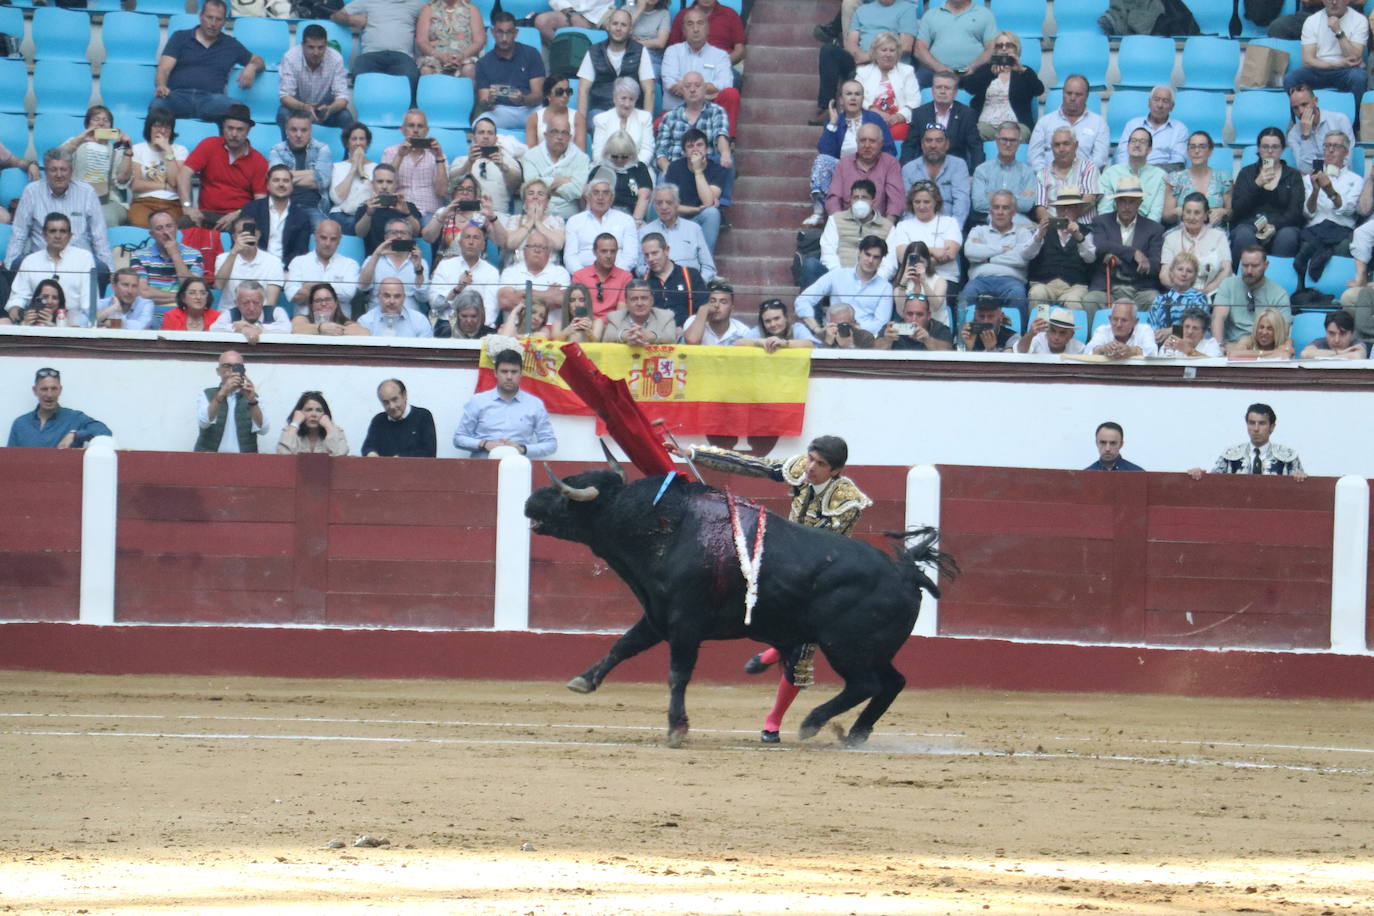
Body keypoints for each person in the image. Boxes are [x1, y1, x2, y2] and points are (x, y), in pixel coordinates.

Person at [666, 434, 872, 743]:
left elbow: (827, 547)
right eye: (811, 458)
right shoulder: (800, 467)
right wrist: (692, 452)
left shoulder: (847, 500)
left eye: (821, 464)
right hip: (785, 561)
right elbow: (751, 464)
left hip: (822, 573)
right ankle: (777, 648)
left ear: (836, 471)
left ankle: (773, 717)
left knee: (803, 647)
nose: (811, 467)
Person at [5, 148, 113, 278]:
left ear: (71, 171)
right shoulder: (32, 192)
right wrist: (9, 267)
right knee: (17, 265)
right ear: (45, 171)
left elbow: (99, 236)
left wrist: (109, 271)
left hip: (80, 263)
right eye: (53, 169)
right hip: (42, 260)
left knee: (101, 269)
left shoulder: (87, 192)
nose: (59, 175)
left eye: (63, 169)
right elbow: (19, 234)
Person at [152, 0, 265, 123]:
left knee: (240, 112)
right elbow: (164, 69)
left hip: (212, 101)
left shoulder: (231, 45)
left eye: (218, 19)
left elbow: (259, 62)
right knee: (157, 105)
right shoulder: (180, 37)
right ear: (201, 16)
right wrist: (161, 85)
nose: (213, 23)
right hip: (179, 97)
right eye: (209, 17)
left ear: (224, 22)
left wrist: (252, 67)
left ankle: (225, 143)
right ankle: (158, 143)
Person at [804, 79, 896, 227]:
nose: (853, 98)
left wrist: (874, 162)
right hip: (844, 171)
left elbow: (890, 149)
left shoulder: (874, 119)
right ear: (841, 99)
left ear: (862, 98)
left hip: (872, 167)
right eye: (849, 94)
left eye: (857, 94)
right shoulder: (835, 121)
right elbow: (825, 152)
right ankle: (820, 212)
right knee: (821, 161)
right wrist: (833, 124)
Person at [813, 0, 918, 125]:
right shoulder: (862, 10)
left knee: (858, 76)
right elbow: (851, 43)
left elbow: (906, 46)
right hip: (861, 62)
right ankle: (827, 107)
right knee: (828, 50)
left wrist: (873, 55)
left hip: (889, 63)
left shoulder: (907, 9)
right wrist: (860, 56)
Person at [1080, 176, 1166, 321]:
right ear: (1115, 202)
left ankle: (1149, 342)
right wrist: (1134, 253)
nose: (1127, 206)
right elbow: (1101, 246)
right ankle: (1092, 342)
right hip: (1108, 287)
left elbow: (1154, 265)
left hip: (1140, 289)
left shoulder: (1154, 229)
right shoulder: (1101, 221)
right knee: (1090, 300)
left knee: (1155, 300)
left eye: (1132, 201)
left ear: (1140, 203)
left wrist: (1118, 257)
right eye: (1122, 201)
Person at [179, 104, 269, 232]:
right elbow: (184, 174)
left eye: (240, 129)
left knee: (247, 231)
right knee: (184, 223)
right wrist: (188, 207)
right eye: (230, 128)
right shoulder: (209, 145)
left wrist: (238, 214)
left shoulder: (259, 161)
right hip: (206, 214)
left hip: (239, 217)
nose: (234, 134)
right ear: (223, 127)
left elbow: (260, 201)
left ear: (248, 131)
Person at [960, 190, 1045, 325]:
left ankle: (1016, 341)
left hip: (1011, 282)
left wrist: (988, 257)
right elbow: (970, 252)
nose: (1000, 212)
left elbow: (1021, 259)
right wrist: (1002, 249)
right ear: (990, 211)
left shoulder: (1022, 233)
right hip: (979, 280)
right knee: (965, 296)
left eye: (1005, 208)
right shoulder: (978, 230)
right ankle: (961, 340)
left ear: (1013, 212)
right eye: (996, 207)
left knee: (1017, 296)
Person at [454, 348, 556, 458]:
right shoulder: (478, 401)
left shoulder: (534, 404)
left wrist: (522, 448)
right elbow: (458, 438)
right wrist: (484, 444)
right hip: (483, 467)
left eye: (514, 372)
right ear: (495, 373)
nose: (509, 377)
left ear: (521, 373)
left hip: (519, 467)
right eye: (504, 371)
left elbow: (551, 444)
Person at [1294, 130, 1361, 287]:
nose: (1330, 150)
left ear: (1346, 151)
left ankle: (1334, 289)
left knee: (1343, 246)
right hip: (1314, 229)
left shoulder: (1356, 180)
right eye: (1327, 146)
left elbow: (1349, 210)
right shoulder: (1308, 179)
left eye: (1336, 146)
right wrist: (1316, 191)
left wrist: (1330, 191)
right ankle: (1303, 291)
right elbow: (1307, 213)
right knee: (1305, 243)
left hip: (1341, 230)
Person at [800, 178, 894, 290]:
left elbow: (890, 263)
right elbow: (828, 253)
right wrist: (842, 279)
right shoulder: (835, 220)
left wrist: (870, 281)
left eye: (864, 198)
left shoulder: (887, 227)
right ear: (850, 200)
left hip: (871, 282)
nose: (859, 202)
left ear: (873, 200)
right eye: (855, 198)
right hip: (837, 278)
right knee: (810, 265)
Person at [1231, 127, 1304, 262]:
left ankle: (1279, 279)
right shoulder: (1246, 173)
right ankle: (1243, 276)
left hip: (1282, 225)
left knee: (1288, 236)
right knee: (1243, 235)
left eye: (1275, 147)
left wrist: (1274, 225)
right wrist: (1256, 184)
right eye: (1265, 147)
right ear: (1258, 149)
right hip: (1250, 224)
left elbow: (1295, 212)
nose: (1270, 151)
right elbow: (1237, 209)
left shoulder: (1292, 175)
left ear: (1282, 150)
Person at [5, 213, 96, 322]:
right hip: (36, 324)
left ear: (70, 235)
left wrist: (64, 321)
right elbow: (16, 300)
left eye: (63, 231)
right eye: (53, 231)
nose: (58, 236)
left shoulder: (84, 258)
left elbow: (89, 304)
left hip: (72, 325)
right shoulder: (30, 261)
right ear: (44, 235)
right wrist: (21, 315)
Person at [662, 6, 740, 132]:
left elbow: (726, 83)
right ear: (683, 30)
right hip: (677, 113)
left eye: (700, 23)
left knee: (731, 94)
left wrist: (687, 87)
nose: (696, 29)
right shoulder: (672, 52)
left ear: (708, 28)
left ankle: (726, 141)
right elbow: (670, 82)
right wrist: (706, 91)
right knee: (656, 126)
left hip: (709, 115)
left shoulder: (720, 56)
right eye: (690, 24)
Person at [796, 234, 892, 336]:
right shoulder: (837, 275)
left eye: (876, 257)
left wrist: (854, 328)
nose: (870, 260)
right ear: (859, 253)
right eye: (867, 254)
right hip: (834, 336)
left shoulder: (885, 288)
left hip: (864, 340)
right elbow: (803, 300)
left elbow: (881, 324)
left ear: (881, 260)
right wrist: (817, 329)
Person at [333, 0, 427, 102]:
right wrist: (351, 19)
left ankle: (407, 115)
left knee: (410, 76)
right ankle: (369, 113)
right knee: (360, 73)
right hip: (370, 55)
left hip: (402, 56)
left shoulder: (417, 4)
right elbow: (336, 16)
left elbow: (435, 17)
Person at [878, 181, 963, 288]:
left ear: (936, 202)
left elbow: (949, 254)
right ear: (911, 203)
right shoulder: (903, 226)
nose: (921, 206)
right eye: (917, 202)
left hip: (944, 278)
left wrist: (916, 257)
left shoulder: (950, 222)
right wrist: (934, 251)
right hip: (911, 279)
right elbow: (902, 256)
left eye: (926, 202)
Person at [1187, 403, 1306, 480]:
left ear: (1272, 427)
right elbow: (1214, 482)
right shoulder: (1230, 454)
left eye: (1262, 423)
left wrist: (1300, 477)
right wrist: (1201, 475)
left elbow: (1301, 489)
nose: (1256, 429)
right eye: (1252, 423)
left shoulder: (1288, 456)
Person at [820, 122, 904, 229]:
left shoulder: (890, 163)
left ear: (881, 143)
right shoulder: (844, 164)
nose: (867, 146)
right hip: (847, 225)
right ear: (857, 142)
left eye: (872, 141)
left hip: (879, 225)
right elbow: (833, 198)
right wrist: (839, 225)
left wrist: (886, 227)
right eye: (863, 140)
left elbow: (895, 199)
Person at [962, 33, 1043, 143]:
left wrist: (1021, 70)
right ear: (995, 50)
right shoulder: (986, 70)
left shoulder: (1024, 71)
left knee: (1021, 134)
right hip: (987, 125)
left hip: (1016, 125)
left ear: (1016, 49)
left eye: (1009, 45)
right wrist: (990, 74)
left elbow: (1039, 90)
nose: (1004, 49)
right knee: (974, 132)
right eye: (1000, 46)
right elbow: (969, 87)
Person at [577, 8, 656, 121]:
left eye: (623, 25)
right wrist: (581, 126)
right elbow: (583, 90)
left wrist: (646, 124)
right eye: (615, 24)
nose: (618, 28)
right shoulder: (594, 51)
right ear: (608, 26)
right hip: (601, 112)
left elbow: (649, 90)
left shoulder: (640, 51)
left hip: (631, 111)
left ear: (630, 30)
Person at [60, 106, 133, 228]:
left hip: (109, 202)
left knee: (104, 218)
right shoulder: (75, 143)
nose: (101, 123)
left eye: (106, 120)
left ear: (111, 127)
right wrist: (80, 139)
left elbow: (122, 179)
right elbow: (55, 159)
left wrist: (128, 151)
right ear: (88, 124)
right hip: (76, 199)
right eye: (96, 119)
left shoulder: (117, 150)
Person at [1282, 0, 1367, 105]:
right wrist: (1337, 64)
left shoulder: (1360, 20)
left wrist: (1338, 31)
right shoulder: (1312, 21)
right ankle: (1299, 119)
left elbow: (1354, 57)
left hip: (1347, 71)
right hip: (1319, 70)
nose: (1334, 2)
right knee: (1291, 79)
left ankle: (1357, 120)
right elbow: (1307, 61)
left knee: (1359, 77)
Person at [1026, 185, 1094, 315]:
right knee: (1037, 293)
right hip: (1045, 284)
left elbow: (1091, 258)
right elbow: (1027, 255)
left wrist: (1078, 236)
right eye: (1062, 207)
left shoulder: (1085, 232)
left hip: (1074, 287)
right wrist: (1039, 235)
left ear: (1078, 209)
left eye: (1071, 207)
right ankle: (1038, 332)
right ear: (1056, 209)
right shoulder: (1042, 230)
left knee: (1073, 302)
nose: (1066, 211)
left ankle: (1072, 334)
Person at [660, 127, 730, 250]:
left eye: (700, 145)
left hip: (701, 218)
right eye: (690, 146)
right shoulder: (674, 168)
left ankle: (705, 264)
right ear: (684, 152)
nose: (695, 149)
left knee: (712, 213)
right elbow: (668, 206)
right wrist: (695, 209)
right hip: (677, 217)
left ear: (707, 149)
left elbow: (708, 202)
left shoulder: (717, 170)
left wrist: (698, 170)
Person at [7, 368, 111, 449]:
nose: (49, 394)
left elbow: (104, 432)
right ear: (35, 391)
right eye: (44, 389)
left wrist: (75, 435)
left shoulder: (74, 419)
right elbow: (9, 461)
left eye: (54, 389)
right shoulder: (20, 424)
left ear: (60, 390)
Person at [276, 23, 353, 133]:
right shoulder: (290, 57)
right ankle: (288, 150)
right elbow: (285, 97)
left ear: (326, 45)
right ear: (302, 45)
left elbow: (343, 98)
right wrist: (304, 107)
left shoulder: (336, 59)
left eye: (320, 48)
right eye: (311, 47)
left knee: (345, 117)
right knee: (283, 114)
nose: (316, 53)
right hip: (298, 109)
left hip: (325, 110)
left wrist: (330, 109)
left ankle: (349, 151)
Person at [477, 12, 546, 131]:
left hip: (529, 108)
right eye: (500, 32)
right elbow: (483, 102)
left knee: (552, 124)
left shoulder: (531, 54)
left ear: (516, 33)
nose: (504, 38)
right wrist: (490, 100)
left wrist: (522, 99)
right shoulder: (484, 63)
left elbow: (538, 96)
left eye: (508, 32)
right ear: (493, 32)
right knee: (481, 125)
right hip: (502, 110)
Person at [1211, 246, 1294, 344]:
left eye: (1255, 266)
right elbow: (1218, 317)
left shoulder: (1279, 294)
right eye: (1245, 265)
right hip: (1230, 347)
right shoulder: (1227, 285)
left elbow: (1283, 331)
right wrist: (1218, 346)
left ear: (1266, 265)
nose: (1249, 271)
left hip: (1263, 347)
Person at [900, 71, 983, 170]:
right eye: (938, 87)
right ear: (932, 90)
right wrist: (905, 171)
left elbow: (976, 148)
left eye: (947, 88)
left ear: (955, 92)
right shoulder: (919, 114)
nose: (942, 91)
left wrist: (976, 175)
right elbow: (910, 147)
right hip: (925, 169)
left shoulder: (967, 114)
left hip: (955, 170)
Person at [1028, 74, 1109, 171]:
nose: (1072, 98)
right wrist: (1047, 176)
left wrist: (1080, 176)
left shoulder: (1099, 123)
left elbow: (1099, 159)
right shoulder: (1044, 122)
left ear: (1087, 96)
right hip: (1048, 180)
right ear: (1062, 93)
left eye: (1078, 94)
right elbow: (1034, 156)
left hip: (1084, 180)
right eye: (1069, 93)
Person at [238, 164, 313, 268]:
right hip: (253, 266)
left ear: (292, 186)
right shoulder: (251, 209)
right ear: (268, 185)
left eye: (286, 181)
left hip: (286, 269)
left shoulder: (301, 216)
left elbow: (300, 251)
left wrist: (278, 267)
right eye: (276, 180)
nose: (281, 184)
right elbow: (244, 243)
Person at [520, 113, 591, 221]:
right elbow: (531, 186)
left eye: (564, 133)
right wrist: (561, 181)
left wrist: (544, 185)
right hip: (535, 215)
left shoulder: (582, 158)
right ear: (545, 135)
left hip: (568, 217)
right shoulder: (530, 156)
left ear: (570, 137)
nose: (559, 137)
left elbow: (577, 190)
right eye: (554, 132)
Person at [383, 109, 450, 223]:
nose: (415, 130)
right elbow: (387, 189)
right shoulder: (390, 152)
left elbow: (442, 192)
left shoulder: (438, 155)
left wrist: (439, 157)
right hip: (400, 211)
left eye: (420, 126)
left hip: (430, 213)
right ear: (402, 129)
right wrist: (400, 156)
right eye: (411, 126)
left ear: (426, 131)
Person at [268, 116, 334, 231]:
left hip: (313, 207)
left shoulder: (322, 149)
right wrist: (312, 174)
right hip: (284, 205)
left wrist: (287, 176)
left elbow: (323, 182)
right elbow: (276, 181)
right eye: (294, 130)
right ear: (286, 130)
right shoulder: (277, 150)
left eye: (304, 130)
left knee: (324, 232)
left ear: (310, 131)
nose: (298, 135)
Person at [564, 172, 640, 273]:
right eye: (596, 193)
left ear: (612, 198)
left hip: (618, 277)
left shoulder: (626, 220)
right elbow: (570, 256)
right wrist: (584, 277)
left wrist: (615, 277)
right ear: (589, 198)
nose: (600, 197)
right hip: (583, 279)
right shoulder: (575, 221)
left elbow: (631, 256)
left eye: (605, 193)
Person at [195, 349, 267, 453]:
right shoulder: (207, 394)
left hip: (243, 461)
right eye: (227, 366)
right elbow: (204, 422)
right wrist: (222, 393)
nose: (232, 370)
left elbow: (264, 429)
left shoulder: (253, 396)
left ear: (243, 371)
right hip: (210, 460)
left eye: (237, 367)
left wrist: (252, 401)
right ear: (218, 371)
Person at [1160, 193, 1232, 297]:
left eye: (1197, 213)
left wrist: (1207, 291)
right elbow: (1164, 274)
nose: (1191, 217)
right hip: (1179, 294)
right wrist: (1184, 291)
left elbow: (1227, 270)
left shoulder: (1219, 236)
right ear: (1182, 214)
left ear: (1206, 215)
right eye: (1188, 212)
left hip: (1213, 293)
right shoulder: (1171, 238)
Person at [448, 117, 522, 218]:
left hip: (497, 215)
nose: (486, 137)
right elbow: (453, 183)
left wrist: (503, 167)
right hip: (466, 214)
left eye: (490, 133)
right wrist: (469, 163)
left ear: (496, 138)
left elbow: (516, 182)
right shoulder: (461, 160)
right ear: (474, 138)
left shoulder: (508, 161)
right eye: (481, 132)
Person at [912, 0, 997, 88]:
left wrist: (973, 67)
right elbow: (919, 49)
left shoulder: (985, 14)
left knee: (992, 81)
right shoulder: (931, 15)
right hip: (935, 71)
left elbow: (992, 48)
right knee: (915, 81)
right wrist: (940, 68)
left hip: (974, 72)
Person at [900, 125, 971, 229]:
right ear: (922, 144)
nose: (933, 145)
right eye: (928, 141)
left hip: (948, 226)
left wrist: (954, 230)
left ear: (947, 144)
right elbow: (907, 206)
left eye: (939, 141)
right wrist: (912, 231)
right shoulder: (908, 169)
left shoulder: (958, 165)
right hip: (917, 227)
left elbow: (962, 202)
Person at [128, 110, 190, 228]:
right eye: (157, 126)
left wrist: (167, 150)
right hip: (144, 202)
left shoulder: (180, 150)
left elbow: (175, 182)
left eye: (167, 127)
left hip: (173, 203)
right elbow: (136, 185)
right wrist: (165, 186)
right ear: (149, 128)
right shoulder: (137, 149)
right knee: (140, 224)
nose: (162, 131)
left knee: (169, 228)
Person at [284, 220, 360, 316]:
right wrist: (333, 292)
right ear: (315, 236)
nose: (327, 243)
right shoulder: (299, 262)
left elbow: (348, 294)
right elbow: (294, 295)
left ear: (339, 240)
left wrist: (311, 286)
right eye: (323, 238)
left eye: (333, 239)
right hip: (306, 324)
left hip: (339, 324)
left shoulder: (350, 264)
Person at [640, 183, 716, 281]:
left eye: (669, 202)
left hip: (690, 286)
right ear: (654, 205)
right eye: (659, 203)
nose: (664, 207)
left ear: (677, 204)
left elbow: (708, 267)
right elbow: (639, 268)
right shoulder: (644, 232)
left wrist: (697, 285)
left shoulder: (693, 229)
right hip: (657, 286)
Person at [430, 223, 501, 327]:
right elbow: (435, 304)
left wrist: (476, 328)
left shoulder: (491, 272)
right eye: (467, 237)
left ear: (483, 245)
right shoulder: (445, 266)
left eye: (476, 238)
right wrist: (457, 289)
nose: (471, 242)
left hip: (481, 327)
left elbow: (491, 308)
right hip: (448, 325)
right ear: (460, 243)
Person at [854, 32, 918, 144]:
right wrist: (874, 111)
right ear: (875, 53)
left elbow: (915, 100)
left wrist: (899, 116)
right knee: (869, 133)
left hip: (898, 121)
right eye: (884, 50)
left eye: (892, 50)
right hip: (869, 119)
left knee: (898, 133)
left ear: (897, 53)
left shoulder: (907, 71)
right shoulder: (863, 72)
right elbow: (856, 97)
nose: (888, 54)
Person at [496, 230, 572, 325]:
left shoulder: (560, 272)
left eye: (542, 247)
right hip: (514, 329)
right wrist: (548, 293)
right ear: (524, 251)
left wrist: (523, 293)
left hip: (551, 330)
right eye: (533, 246)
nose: (537, 250)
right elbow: (505, 301)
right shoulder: (510, 271)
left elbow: (561, 300)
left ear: (549, 253)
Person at [971, 121, 1038, 225]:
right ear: (997, 141)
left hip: (1019, 225)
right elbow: (978, 203)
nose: (1008, 144)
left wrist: (993, 196)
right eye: (1004, 139)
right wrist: (1017, 197)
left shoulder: (1028, 172)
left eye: (1013, 140)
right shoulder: (982, 170)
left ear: (1019, 143)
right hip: (989, 224)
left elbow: (1027, 205)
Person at [491, 179, 566, 268]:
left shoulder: (556, 221)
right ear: (525, 201)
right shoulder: (514, 219)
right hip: (517, 269)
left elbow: (558, 244)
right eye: (531, 193)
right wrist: (530, 222)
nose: (535, 197)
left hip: (548, 270)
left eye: (540, 194)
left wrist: (538, 222)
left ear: (547, 202)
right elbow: (510, 244)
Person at [214, 213, 285, 307]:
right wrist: (234, 252)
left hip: (261, 315)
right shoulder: (222, 258)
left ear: (258, 235)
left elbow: (271, 303)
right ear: (234, 237)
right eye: (241, 233)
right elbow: (219, 285)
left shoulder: (274, 262)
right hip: (229, 313)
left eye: (250, 232)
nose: (246, 236)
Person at [1163, 131, 1232, 228]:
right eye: (1192, 147)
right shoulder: (1175, 178)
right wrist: (1176, 212)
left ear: (1210, 151)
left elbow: (1231, 213)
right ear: (1187, 151)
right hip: (1182, 233)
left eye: (1202, 147)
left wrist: (1223, 212)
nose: (1196, 151)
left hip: (1215, 235)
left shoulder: (1223, 178)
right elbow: (1166, 217)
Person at [1097, 128, 1168, 222]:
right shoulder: (1111, 173)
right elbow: (1105, 210)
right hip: (1114, 226)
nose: (1137, 145)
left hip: (1147, 227)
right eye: (1133, 141)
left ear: (1150, 149)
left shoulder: (1160, 176)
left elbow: (1156, 213)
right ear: (1127, 146)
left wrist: (1146, 233)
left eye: (1142, 142)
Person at [359, 221, 429, 314]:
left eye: (403, 233)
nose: (399, 236)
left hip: (410, 317)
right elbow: (363, 287)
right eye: (394, 233)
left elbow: (423, 298)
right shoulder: (372, 260)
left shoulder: (421, 262)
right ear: (386, 237)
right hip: (377, 316)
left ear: (410, 238)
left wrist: (418, 270)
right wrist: (376, 256)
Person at [1032, 127, 1102, 219]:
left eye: (1066, 144)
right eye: (1057, 145)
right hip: (1053, 227)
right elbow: (1040, 209)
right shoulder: (1042, 174)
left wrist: (1067, 222)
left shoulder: (1088, 168)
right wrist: (1058, 226)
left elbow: (1089, 200)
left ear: (1076, 145)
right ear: (1052, 148)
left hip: (1084, 227)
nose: (1061, 149)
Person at [354, 163, 424, 256]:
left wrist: (407, 214)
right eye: (380, 181)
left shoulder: (408, 207)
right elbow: (360, 234)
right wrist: (369, 214)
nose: (384, 186)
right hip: (376, 259)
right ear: (372, 184)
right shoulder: (365, 208)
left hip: (405, 258)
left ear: (396, 184)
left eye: (389, 182)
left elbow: (416, 233)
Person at [1285, 83, 1355, 174]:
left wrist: (1319, 171)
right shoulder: (1294, 134)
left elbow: (1346, 161)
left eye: (1304, 104)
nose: (1301, 111)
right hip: (1312, 184)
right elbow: (1305, 169)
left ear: (1315, 101)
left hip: (1341, 180)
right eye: (1295, 108)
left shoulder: (1340, 121)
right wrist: (1306, 135)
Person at [1111, 86, 1188, 169]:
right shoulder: (1133, 124)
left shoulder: (1179, 129)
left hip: (1163, 176)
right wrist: (1129, 172)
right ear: (1149, 103)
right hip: (1131, 173)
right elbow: (1122, 154)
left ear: (1172, 106)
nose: (1160, 105)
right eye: (1156, 99)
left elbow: (1177, 163)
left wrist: (1151, 174)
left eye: (1165, 101)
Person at [639, 231, 705, 325]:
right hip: (655, 336)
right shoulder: (643, 282)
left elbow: (704, 309)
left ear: (667, 250)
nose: (650, 259)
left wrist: (685, 330)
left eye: (654, 253)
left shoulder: (690, 275)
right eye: (646, 255)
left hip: (687, 335)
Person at [362, 378, 437, 457]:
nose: (392, 406)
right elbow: (367, 447)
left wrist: (400, 459)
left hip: (416, 469)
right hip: (384, 468)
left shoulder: (423, 416)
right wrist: (370, 453)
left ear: (404, 396)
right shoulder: (378, 420)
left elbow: (429, 452)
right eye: (386, 402)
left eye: (395, 400)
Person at [1148, 251, 1211, 343]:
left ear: (1194, 276)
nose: (1184, 274)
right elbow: (1151, 329)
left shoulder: (1200, 299)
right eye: (1180, 269)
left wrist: (1170, 331)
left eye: (1189, 271)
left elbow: (1198, 329)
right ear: (1172, 272)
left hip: (1189, 347)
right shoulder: (1159, 300)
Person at [593, 277, 678, 344]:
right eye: (634, 299)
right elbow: (607, 338)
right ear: (626, 302)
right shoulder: (615, 317)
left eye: (644, 298)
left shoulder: (666, 316)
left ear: (651, 300)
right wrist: (626, 335)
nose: (639, 303)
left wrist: (651, 336)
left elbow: (671, 338)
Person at [593, 78, 656, 168]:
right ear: (614, 98)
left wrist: (632, 168)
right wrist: (616, 169)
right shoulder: (601, 119)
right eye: (623, 98)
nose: (627, 104)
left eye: (631, 99)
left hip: (637, 169)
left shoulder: (644, 118)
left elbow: (647, 150)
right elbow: (598, 155)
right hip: (607, 168)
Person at [327, 124, 377, 237]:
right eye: (354, 139)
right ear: (347, 143)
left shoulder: (375, 168)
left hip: (366, 213)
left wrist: (361, 169)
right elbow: (337, 199)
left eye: (362, 139)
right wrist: (354, 168)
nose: (358, 143)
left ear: (367, 143)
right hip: (341, 214)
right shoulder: (337, 167)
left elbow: (374, 195)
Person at [595, 132, 654, 225]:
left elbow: (644, 197)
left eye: (624, 157)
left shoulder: (639, 168)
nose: (619, 160)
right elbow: (589, 197)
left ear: (631, 154)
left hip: (631, 215)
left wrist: (635, 223)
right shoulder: (600, 169)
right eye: (615, 156)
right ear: (607, 153)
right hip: (603, 216)